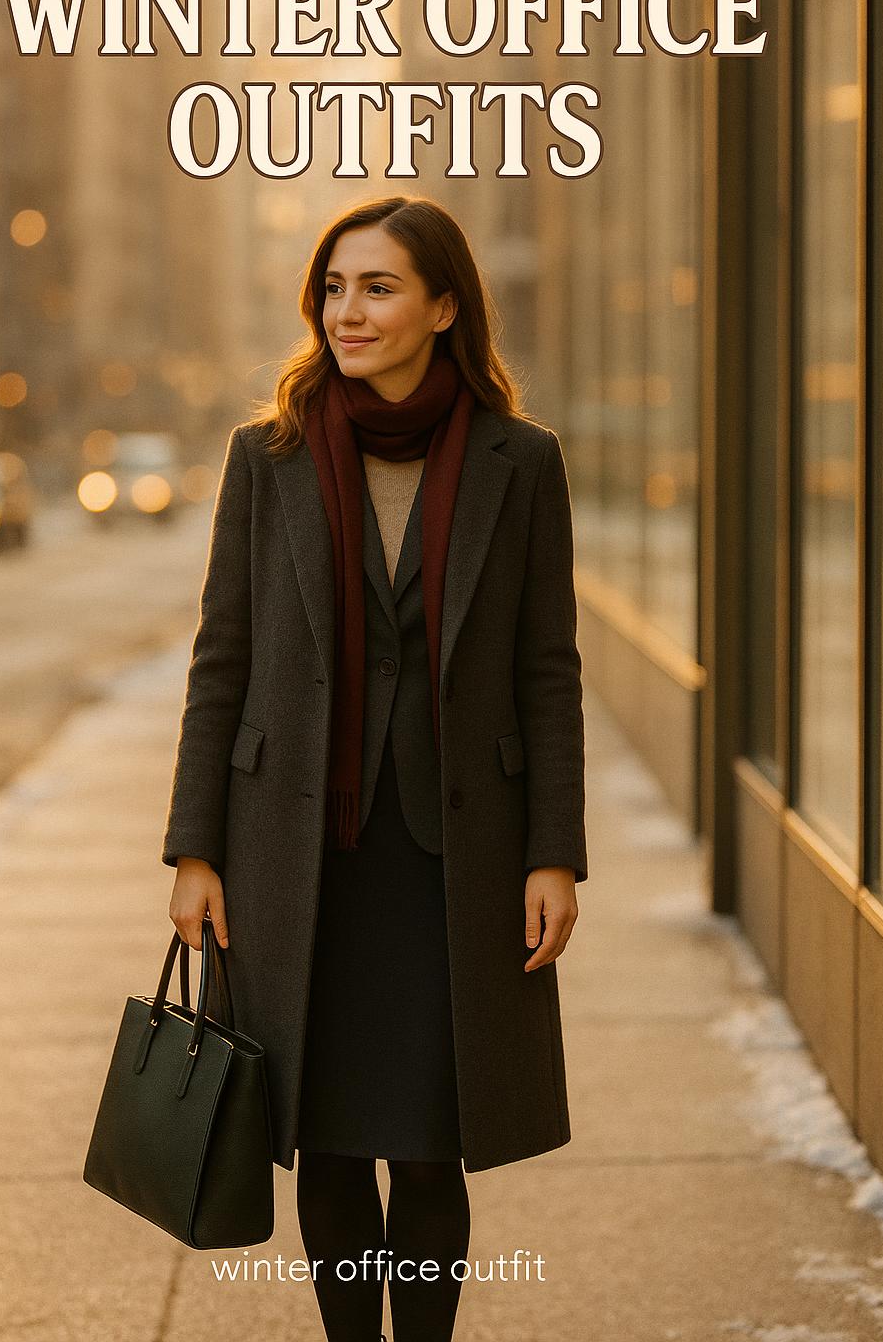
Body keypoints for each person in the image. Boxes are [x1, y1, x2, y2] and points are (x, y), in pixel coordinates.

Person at [163, 194, 587, 1342]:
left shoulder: (521, 462)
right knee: (330, 1134)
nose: (348, 310)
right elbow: (225, 659)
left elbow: (547, 670)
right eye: (336, 287)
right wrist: (195, 847)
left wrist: (554, 853)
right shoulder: (270, 456)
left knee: (432, 1138)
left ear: (445, 307)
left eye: (381, 287)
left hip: (456, 851)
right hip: (297, 848)